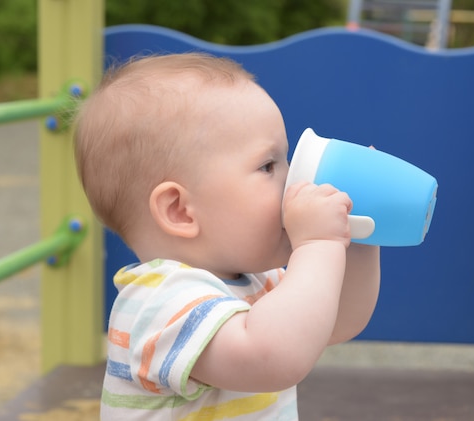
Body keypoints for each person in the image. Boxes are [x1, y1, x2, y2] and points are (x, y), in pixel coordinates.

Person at [74, 52, 381, 420]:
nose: (293, 180)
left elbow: (334, 322)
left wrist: (358, 235)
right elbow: (274, 357)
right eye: (268, 166)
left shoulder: (253, 279)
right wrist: (318, 244)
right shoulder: (159, 303)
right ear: (180, 210)